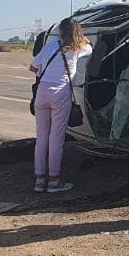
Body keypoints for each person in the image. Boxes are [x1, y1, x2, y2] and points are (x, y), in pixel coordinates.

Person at [29, 17, 92, 193]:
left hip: (42, 93)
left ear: (60, 31)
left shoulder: (50, 46)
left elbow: (32, 67)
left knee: (41, 138)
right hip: (60, 95)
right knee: (56, 139)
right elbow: (91, 48)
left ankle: (39, 180)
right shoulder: (79, 48)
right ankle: (54, 181)